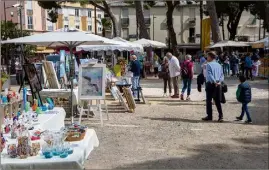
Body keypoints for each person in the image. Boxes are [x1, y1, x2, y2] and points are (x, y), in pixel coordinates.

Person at [202, 51, 224, 122]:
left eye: (207, 56)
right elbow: (222, 75)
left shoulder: (208, 65)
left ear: (211, 57)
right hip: (218, 83)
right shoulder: (219, 65)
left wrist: (214, 81)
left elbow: (209, 74)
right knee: (217, 101)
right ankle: (221, 116)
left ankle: (210, 116)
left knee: (209, 101)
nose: (207, 58)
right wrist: (219, 82)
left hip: (211, 84)